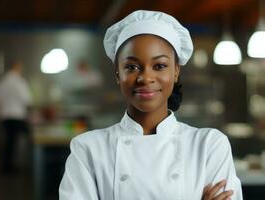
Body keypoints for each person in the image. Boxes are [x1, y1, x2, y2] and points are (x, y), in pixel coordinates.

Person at [59, 10, 243, 200]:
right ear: (117, 74)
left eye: (160, 66)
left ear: (176, 72)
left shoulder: (209, 146)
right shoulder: (88, 149)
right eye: (132, 67)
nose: (145, 78)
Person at [0, 61, 32, 173]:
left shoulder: (2, 81)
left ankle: (6, 166)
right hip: (17, 116)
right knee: (14, 142)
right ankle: (11, 167)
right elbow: (27, 100)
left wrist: (1, 108)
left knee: (8, 141)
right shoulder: (20, 82)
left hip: (4, 116)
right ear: (17, 67)